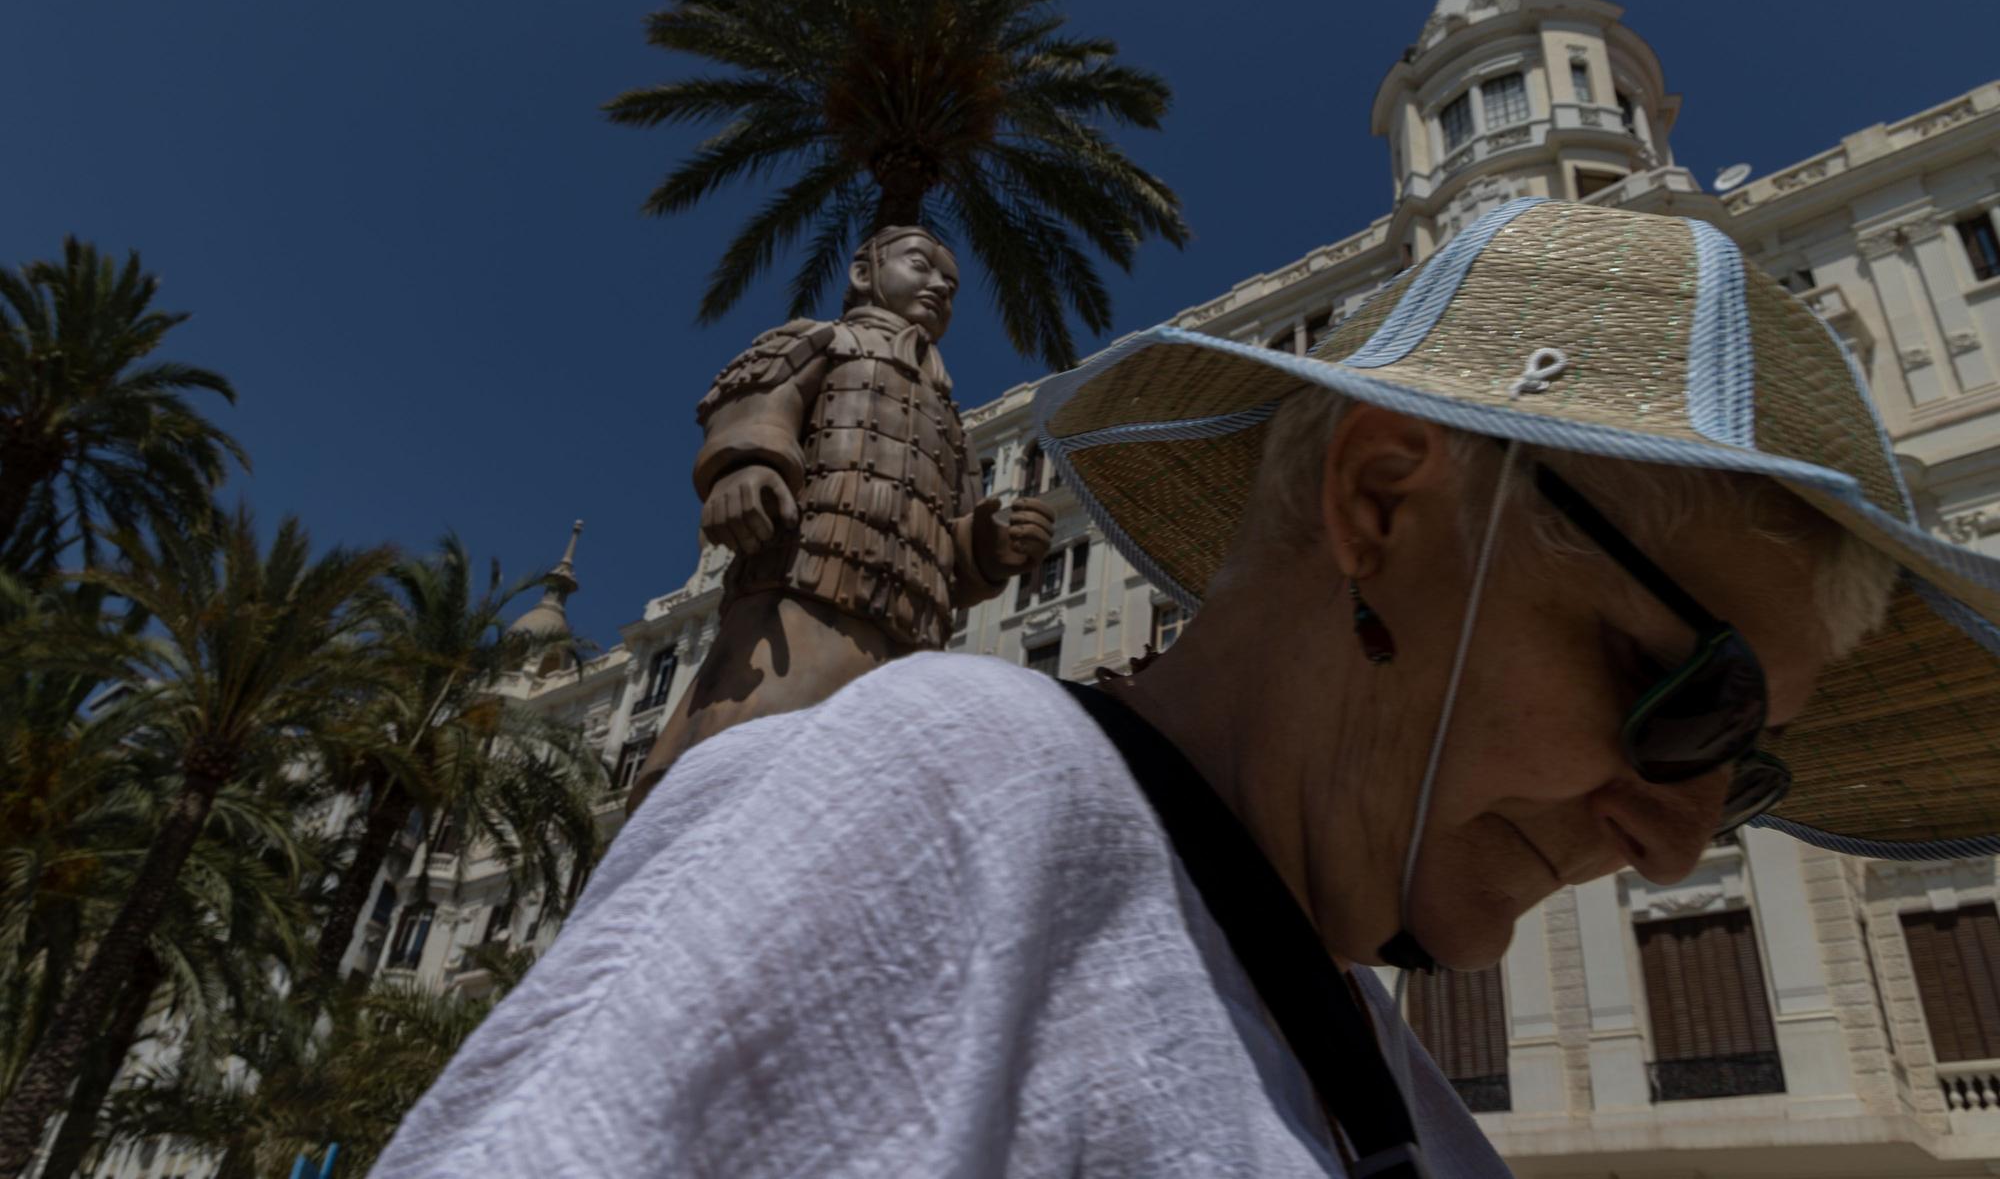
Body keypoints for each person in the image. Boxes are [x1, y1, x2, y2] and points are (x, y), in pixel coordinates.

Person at [371, 199, 2000, 1177]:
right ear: (1379, 503)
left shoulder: (1358, 1048)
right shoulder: (951, 793)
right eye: (1685, 699)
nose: (1671, 839)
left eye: (1748, 770)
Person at [630, 225, 1053, 802]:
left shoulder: (950, 422)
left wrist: (989, 546)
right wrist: (747, 467)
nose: (938, 287)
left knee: (862, 816)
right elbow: (758, 405)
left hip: (911, 644)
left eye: (950, 285)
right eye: (920, 265)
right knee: (740, 774)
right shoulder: (825, 342)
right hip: (803, 606)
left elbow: (953, 531)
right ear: (862, 273)